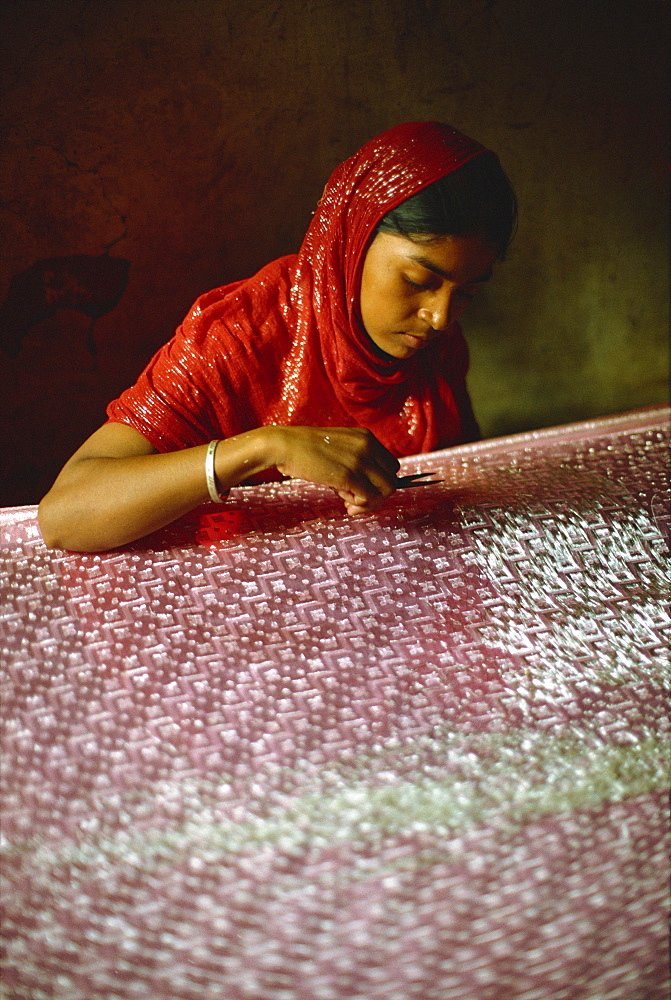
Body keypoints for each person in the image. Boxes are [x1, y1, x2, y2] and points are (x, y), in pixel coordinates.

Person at [38, 121, 516, 552]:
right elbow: (66, 515)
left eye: (468, 292)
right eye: (417, 280)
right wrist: (264, 447)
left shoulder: (432, 347)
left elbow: (459, 478)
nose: (441, 317)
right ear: (352, 239)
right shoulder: (238, 337)